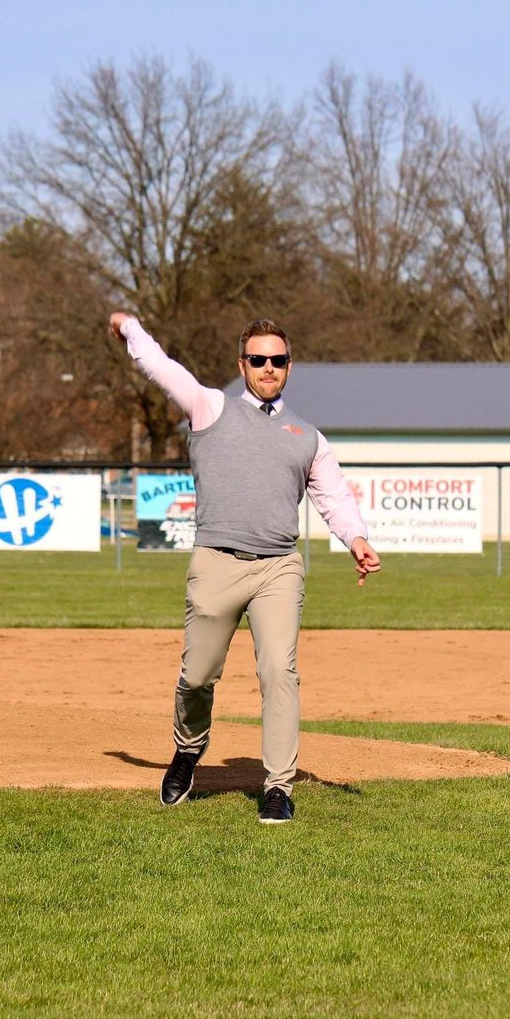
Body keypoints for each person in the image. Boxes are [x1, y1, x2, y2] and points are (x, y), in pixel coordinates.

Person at [109, 313, 381, 824]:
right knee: (197, 676)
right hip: (216, 562)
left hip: (278, 566)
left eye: (278, 360)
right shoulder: (211, 407)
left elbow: (334, 496)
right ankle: (188, 751)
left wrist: (357, 539)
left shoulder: (308, 436)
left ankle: (278, 785)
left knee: (280, 671)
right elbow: (159, 366)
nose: (268, 367)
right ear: (243, 364)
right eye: (258, 359)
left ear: (289, 367)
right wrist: (130, 329)